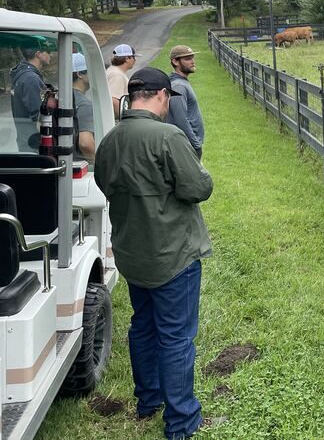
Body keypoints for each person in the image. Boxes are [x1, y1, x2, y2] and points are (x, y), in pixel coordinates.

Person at [94, 68, 215, 440]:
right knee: (176, 337)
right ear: (161, 95)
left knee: (143, 327)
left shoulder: (111, 140)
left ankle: (149, 399)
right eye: (168, 101)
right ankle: (181, 421)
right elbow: (197, 187)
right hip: (173, 255)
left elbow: (102, 182)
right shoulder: (168, 136)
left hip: (134, 254)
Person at [11, 39, 52, 152]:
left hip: (26, 141)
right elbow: (39, 117)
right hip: (33, 145)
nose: (51, 54)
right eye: (48, 51)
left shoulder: (23, 75)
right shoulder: (31, 79)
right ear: (38, 54)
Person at [166, 45, 204, 158]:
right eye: (187, 59)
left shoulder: (181, 83)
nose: (193, 61)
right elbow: (180, 119)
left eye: (192, 57)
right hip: (186, 146)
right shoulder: (178, 86)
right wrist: (195, 145)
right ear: (175, 61)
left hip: (187, 145)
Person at [72, 53, 96, 163]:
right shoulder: (84, 104)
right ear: (80, 74)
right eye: (90, 71)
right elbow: (85, 143)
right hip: (78, 166)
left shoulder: (59, 96)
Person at [106, 43, 140, 118]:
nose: (135, 60)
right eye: (133, 57)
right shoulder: (117, 75)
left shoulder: (114, 71)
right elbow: (114, 100)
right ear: (127, 58)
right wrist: (124, 119)